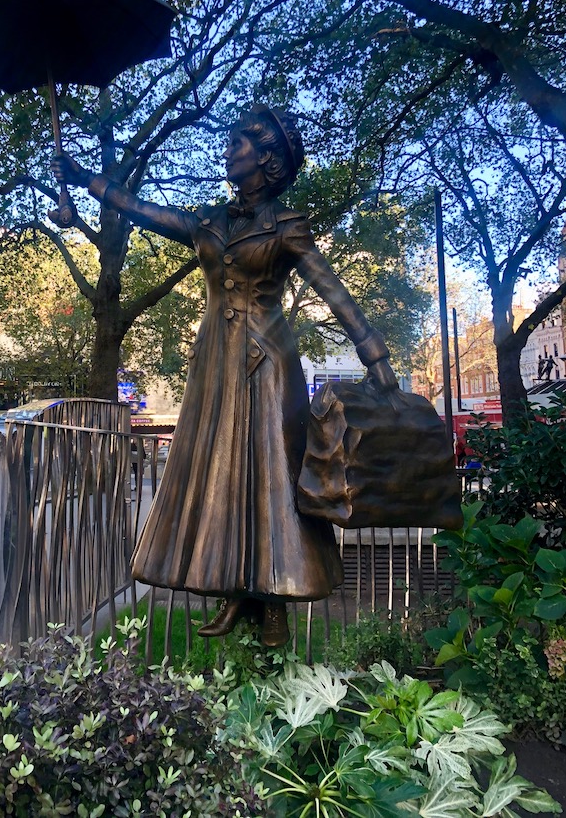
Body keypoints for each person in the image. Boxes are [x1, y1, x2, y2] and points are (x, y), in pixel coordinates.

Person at [55, 104, 397, 647]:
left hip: (268, 361)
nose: (228, 148)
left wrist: (374, 354)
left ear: (266, 159)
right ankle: (237, 589)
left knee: (273, 475)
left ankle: (277, 595)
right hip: (215, 360)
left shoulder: (287, 225)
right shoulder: (210, 221)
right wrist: (86, 181)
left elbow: (331, 287)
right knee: (225, 474)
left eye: (238, 142)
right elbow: (141, 209)